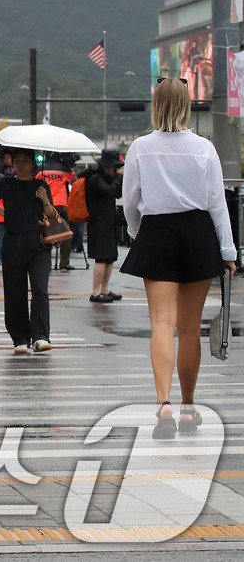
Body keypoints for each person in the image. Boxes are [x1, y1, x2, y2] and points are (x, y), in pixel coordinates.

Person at [121, 78, 237, 438]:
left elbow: (130, 201)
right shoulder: (204, 148)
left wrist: (139, 233)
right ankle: (188, 408)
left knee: (161, 324)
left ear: (156, 106)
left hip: (157, 231)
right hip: (198, 233)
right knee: (190, 328)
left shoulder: (141, 147)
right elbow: (217, 203)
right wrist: (228, 251)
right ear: (187, 105)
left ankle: (163, 404)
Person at [0, 150, 57, 354]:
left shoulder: (41, 185)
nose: (21, 164)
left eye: (25, 161)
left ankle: (41, 336)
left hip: (39, 243)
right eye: (17, 161)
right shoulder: (6, 183)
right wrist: (4, 213)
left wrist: (44, 199)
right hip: (13, 242)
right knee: (15, 292)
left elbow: (51, 214)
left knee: (40, 289)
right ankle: (20, 338)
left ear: (33, 164)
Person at [85, 149, 125, 303]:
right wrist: (120, 177)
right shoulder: (95, 179)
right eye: (115, 167)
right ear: (108, 166)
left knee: (110, 258)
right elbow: (111, 191)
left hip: (108, 222)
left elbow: (118, 193)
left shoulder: (105, 178)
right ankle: (95, 292)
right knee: (101, 258)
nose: (116, 170)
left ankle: (105, 289)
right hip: (98, 223)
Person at [37, 156, 77, 271]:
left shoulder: (41, 169)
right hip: (61, 205)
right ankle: (64, 263)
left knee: (43, 232)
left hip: (45, 204)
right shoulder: (64, 168)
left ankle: (44, 262)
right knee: (65, 233)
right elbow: (74, 181)